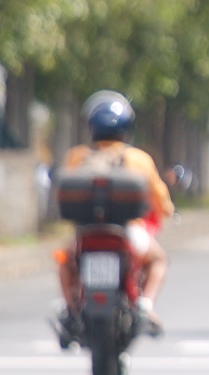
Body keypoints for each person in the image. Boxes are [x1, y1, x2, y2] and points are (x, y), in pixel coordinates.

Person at [54, 92, 175, 336]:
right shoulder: (139, 159)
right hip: (129, 233)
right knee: (158, 260)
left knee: (65, 262)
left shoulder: (77, 156)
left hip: (85, 233)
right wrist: (167, 210)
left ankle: (71, 309)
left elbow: (61, 193)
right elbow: (160, 200)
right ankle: (145, 305)